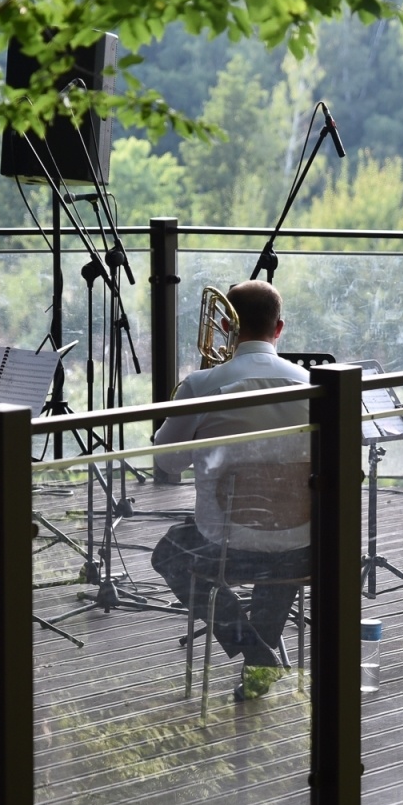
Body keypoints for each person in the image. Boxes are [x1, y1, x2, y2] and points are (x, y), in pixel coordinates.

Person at [151, 280, 310, 701]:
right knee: (280, 545)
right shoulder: (316, 386)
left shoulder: (201, 385)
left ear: (225, 324)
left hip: (226, 547)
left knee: (169, 555)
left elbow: (166, 463)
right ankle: (260, 660)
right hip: (301, 545)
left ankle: (254, 651)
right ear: (279, 329)